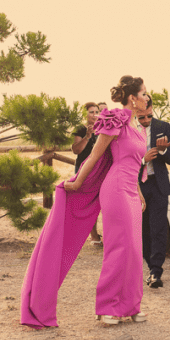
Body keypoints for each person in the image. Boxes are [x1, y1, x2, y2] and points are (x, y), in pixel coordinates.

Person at [20, 75, 149, 328]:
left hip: (132, 193)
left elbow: (133, 163)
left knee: (134, 250)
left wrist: (140, 193)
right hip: (116, 191)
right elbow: (95, 155)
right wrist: (77, 182)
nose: (147, 97)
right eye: (144, 93)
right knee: (118, 248)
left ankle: (130, 305)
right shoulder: (116, 118)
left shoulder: (138, 126)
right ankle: (108, 307)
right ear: (132, 98)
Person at [137, 96, 170, 289]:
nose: (146, 121)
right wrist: (143, 160)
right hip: (137, 186)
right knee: (142, 230)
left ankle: (155, 271)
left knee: (158, 229)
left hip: (158, 184)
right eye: (141, 117)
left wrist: (161, 151)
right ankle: (149, 265)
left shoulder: (163, 126)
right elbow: (122, 160)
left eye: (149, 116)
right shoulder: (128, 129)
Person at [71, 101, 103, 245]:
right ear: (85, 114)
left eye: (97, 112)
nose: (95, 115)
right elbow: (76, 150)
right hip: (84, 169)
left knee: (100, 201)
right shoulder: (80, 129)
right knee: (87, 202)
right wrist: (88, 136)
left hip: (100, 169)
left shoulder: (103, 128)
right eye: (91, 112)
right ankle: (93, 235)